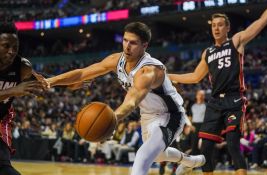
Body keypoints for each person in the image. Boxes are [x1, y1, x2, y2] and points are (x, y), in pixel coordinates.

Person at [41, 22, 205, 175]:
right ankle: (192, 161)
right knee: (157, 155)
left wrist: (111, 121)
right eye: (125, 40)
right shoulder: (116, 60)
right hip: (147, 115)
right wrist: (50, 81)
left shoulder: (149, 71)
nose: (127, 46)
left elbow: (131, 101)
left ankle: (190, 161)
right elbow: (82, 73)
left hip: (170, 115)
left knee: (143, 155)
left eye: (133, 43)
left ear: (144, 45)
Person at [169, 1, 267, 174]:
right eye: (213, 25)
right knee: (205, 148)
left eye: (220, 25)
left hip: (234, 98)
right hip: (215, 102)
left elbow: (261, 21)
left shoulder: (236, 41)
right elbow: (194, 76)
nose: (216, 28)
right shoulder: (208, 52)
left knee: (232, 144)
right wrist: (168, 76)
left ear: (227, 27)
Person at [0, 22, 45, 175]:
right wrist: (13, 90)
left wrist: (69, 85)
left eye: (15, 47)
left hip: (0, 119)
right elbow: (14, 90)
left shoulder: (22, 66)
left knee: (3, 166)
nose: (12, 51)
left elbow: (41, 80)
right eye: (6, 46)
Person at [190, 90, 206, 155]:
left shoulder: (206, 106)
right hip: (194, 126)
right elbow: (190, 117)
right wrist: (190, 125)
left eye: (202, 95)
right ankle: (194, 163)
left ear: (204, 96)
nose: (201, 96)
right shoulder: (192, 106)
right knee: (194, 144)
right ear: (196, 96)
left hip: (203, 126)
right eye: (199, 94)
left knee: (203, 145)